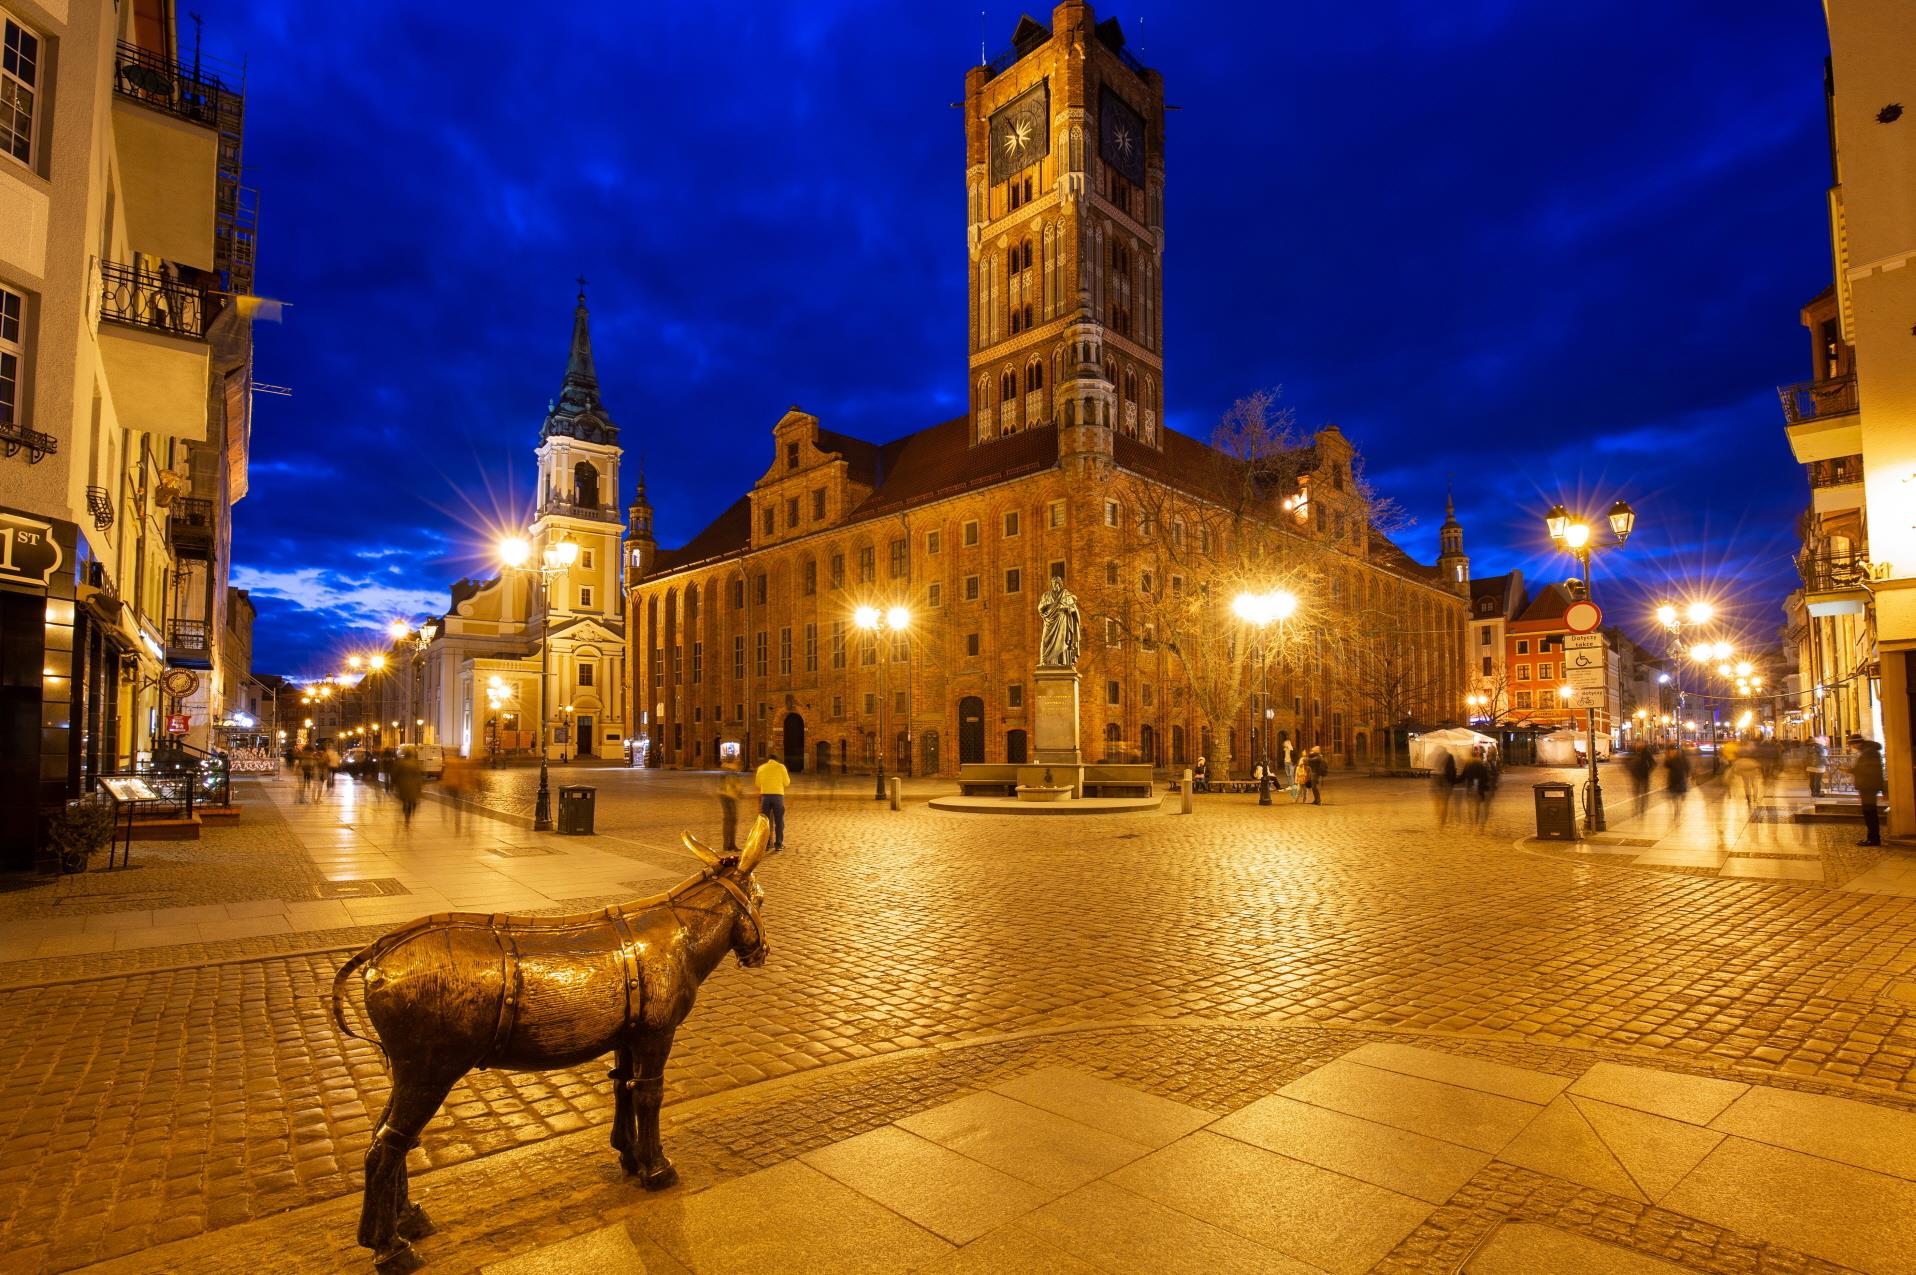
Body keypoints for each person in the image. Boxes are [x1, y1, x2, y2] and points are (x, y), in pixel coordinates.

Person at [1851, 734, 1886, 846]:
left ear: (1857, 743)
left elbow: (1866, 769)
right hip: (1868, 786)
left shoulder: (1869, 752)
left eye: (1852, 744)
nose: (1852, 747)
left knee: (1869, 813)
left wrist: (1852, 770)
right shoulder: (1868, 751)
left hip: (1868, 787)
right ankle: (1872, 838)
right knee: (1869, 812)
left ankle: (1874, 839)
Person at [754, 753, 790, 852]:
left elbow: (757, 783)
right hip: (778, 796)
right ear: (777, 760)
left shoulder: (761, 767)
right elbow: (787, 782)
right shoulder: (781, 767)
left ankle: (766, 844)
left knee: (765, 821)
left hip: (765, 797)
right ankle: (778, 844)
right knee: (779, 821)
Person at [1458, 753, 1494, 829]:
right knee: (1477, 805)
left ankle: (1472, 823)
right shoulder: (1480, 764)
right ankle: (1476, 821)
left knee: (1470, 805)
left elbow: (1463, 775)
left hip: (1470, 786)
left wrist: (1455, 781)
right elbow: (1485, 776)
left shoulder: (1468, 764)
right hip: (1479, 787)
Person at [391, 751, 424, 828]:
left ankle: (406, 816)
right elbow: (419, 776)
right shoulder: (415, 764)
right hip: (413, 786)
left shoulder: (400, 763)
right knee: (411, 801)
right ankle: (409, 814)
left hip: (402, 786)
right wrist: (419, 787)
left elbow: (394, 774)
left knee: (405, 801)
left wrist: (393, 783)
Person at [718, 760, 745, 852]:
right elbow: (734, 784)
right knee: (731, 820)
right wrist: (739, 792)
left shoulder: (727, 770)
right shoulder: (732, 770)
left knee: (729, 820)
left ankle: (728, 844)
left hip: (725, 795)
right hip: (729, 796)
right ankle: (730, 844)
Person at [1432, 753, 1458, 826]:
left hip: (1443, 788)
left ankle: (1442, 818)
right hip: (1448, 788)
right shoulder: (1451, 768)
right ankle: (1443, 819)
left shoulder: (1440, 770)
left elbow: (1437, 782)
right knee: (1445, 803)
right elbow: (1453, 779)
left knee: (1441, 802)